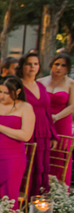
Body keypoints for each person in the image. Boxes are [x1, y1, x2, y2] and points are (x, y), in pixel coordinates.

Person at [0, 77, 35, 207]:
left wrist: (0, 128)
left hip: (12, 157)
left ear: (18, 91)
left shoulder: (25, 107)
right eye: (0, 92)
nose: (2, 96)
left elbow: (26, 135)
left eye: (6, 93)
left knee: (8, 197)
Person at [19, 50, 55, 196]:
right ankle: (23, 201)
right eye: (29, 64)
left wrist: (52, 135)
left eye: (35, 64)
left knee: (40, 166)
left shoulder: (41, 86)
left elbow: (48, 112)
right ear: (22, 66)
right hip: (27, 130)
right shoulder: (18, 85)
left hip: (43, 132)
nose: (32, 67)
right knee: (27, 167)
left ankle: (37, 201)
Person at [41, 52, 74, 184]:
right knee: (43, 153)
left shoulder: (71, 84)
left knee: (60, 155)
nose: (59, 68)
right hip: (44, 121)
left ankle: (58, 189)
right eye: (57, 64)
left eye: (63, 65)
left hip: (62, 122)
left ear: (67, 68)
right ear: (51, 65)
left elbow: (72, 106)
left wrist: (56, 117)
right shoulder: (41, 82)